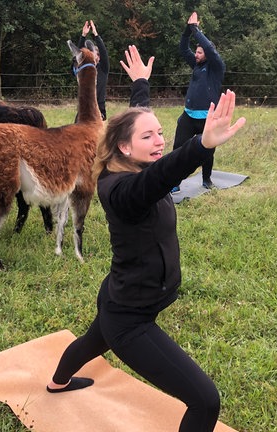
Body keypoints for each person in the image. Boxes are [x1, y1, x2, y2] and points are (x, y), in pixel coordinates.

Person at [46, 45, 246, 432]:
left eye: (160, 133)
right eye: (148, 136)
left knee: (90, 342)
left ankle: (58, 382)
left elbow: (138, 128)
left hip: (118, 294)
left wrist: (141, 85)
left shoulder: (131, 160)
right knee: (206, 401)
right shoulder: (122, 191)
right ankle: (61, 378)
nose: (158, 141)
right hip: (131, 318)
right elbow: (161, 177)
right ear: (124, 147)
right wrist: (201, 145)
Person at [171, 11, 226, 193]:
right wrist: (188, 30)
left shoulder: (216, 66)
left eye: (200, 52)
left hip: (207, 118)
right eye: (196, 51)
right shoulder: (196, 65)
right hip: (188, 116)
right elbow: (182, 49)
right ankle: (174, 181)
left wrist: (196, 29)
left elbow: (209, 49)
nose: (196, 54)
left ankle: (207, 180)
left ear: (208, 54)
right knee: (178, 150)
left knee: (207, 150)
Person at [77, 20, 109, 120]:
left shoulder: (103, 68)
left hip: (99, 110)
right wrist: (83, 35)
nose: (89, 54)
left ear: (98, 57)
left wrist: (96, 34)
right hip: (83, 109)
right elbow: (78, 56)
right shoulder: (83, 70)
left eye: (92, 52)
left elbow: (104, 52)